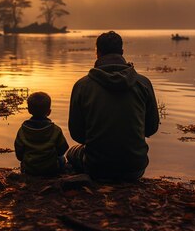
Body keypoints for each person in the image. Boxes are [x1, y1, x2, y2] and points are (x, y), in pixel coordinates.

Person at [67, 31, 159, 181]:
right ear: (122, 52)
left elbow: (77, 134)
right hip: (135, 169)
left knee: (71, 153)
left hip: (97, 168)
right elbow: (151, 128)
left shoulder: (82, 85)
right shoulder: (143, 83)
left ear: (98, 53)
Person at [14, 91, 69, 176]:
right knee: (62, 159)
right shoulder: (56, 130)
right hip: (51, 169)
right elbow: (62, 149)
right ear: (49, 112)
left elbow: (19, 154)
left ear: (29, 110)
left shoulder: (22, 130)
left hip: (29, 169)